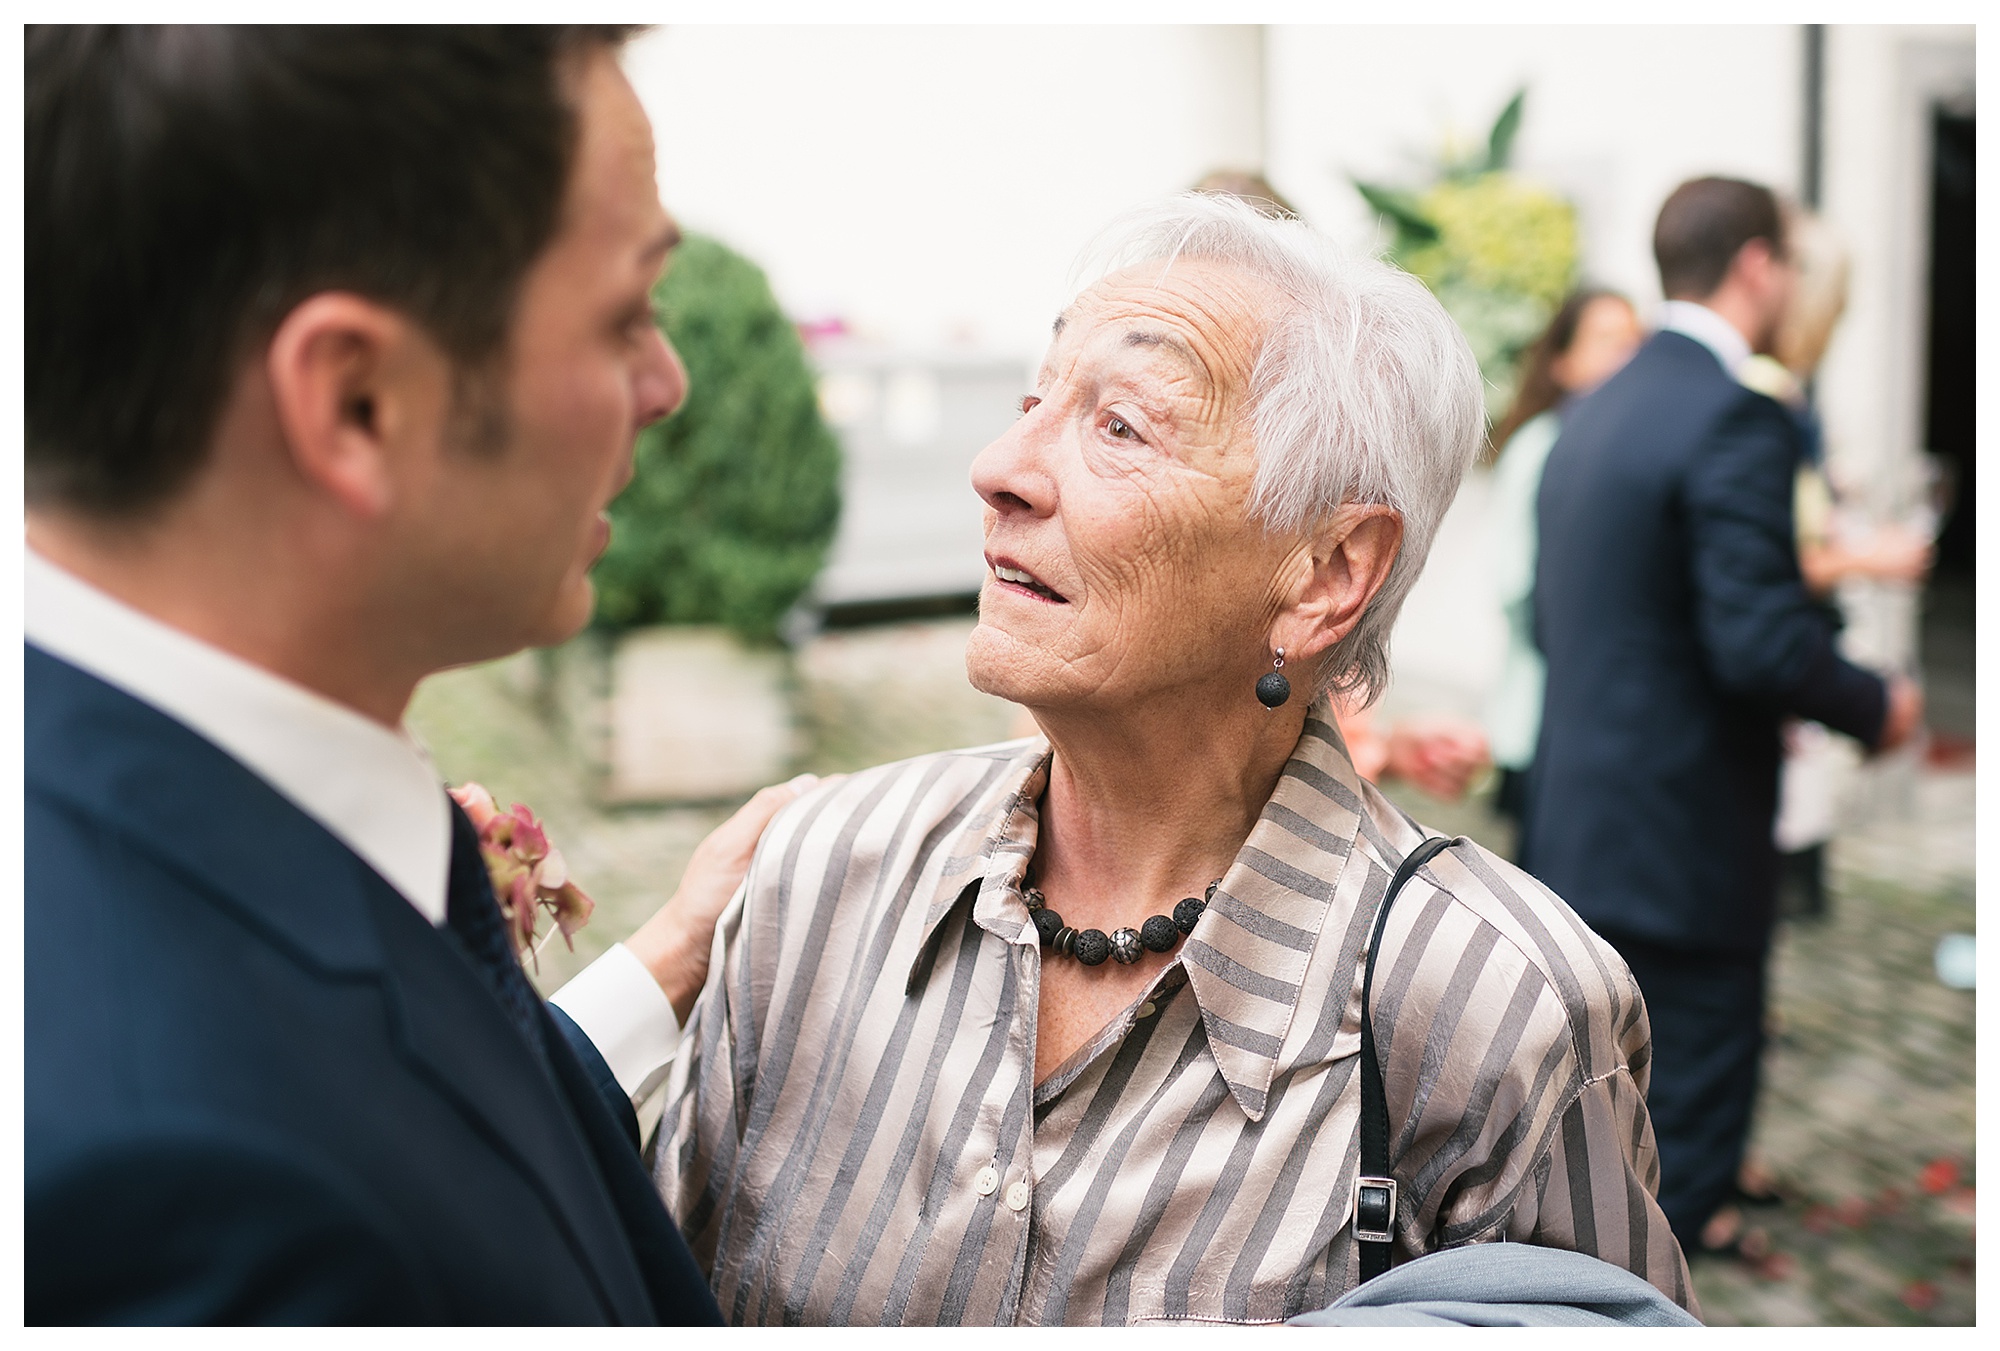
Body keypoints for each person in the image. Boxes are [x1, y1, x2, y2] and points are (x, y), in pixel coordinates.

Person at [627, 193, 1693, 1325]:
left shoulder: (1498, 1010)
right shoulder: (816, 875)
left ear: (1328, 570)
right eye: (1032, 400)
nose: (1000, 467)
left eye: (1120, 426)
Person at [24, 26, 796, 1323]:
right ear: (357, 400)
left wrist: (661, 964)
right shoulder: (169, 1194)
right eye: (621, 316)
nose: (665, 384)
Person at [1526, 177, 1922, 1261]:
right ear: (1757, 266)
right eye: (1786, 265)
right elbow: (1756, 640)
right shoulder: (1736, 414)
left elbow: (1562, 621)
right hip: (1686, 844)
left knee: (1598, 1115)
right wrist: (1874, 702)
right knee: (1682, 1147)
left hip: (1578, 826)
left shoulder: (1593, 408)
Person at [1482, 289, 1645, 841]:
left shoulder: (1620, 449)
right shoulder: (1541, 445)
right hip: (1543, 716)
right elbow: (1513, 580)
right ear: (1563, 361)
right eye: (1606, 342)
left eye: (1632, 344)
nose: (1624, 359)